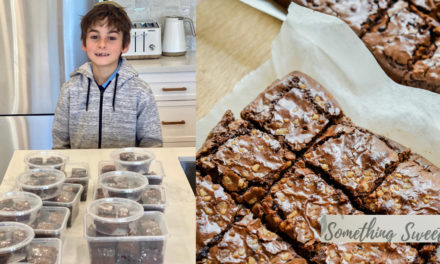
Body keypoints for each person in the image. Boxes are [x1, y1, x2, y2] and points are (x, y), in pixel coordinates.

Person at [52, 1, 162, 149]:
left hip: (126, 172)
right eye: (94, 36)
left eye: (111, 38)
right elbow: (60, 143)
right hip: (83, 171)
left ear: (125, 45)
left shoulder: (140, 91)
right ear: (84, 43)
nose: (102, 44)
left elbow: (152, 144)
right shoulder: (70, 89)